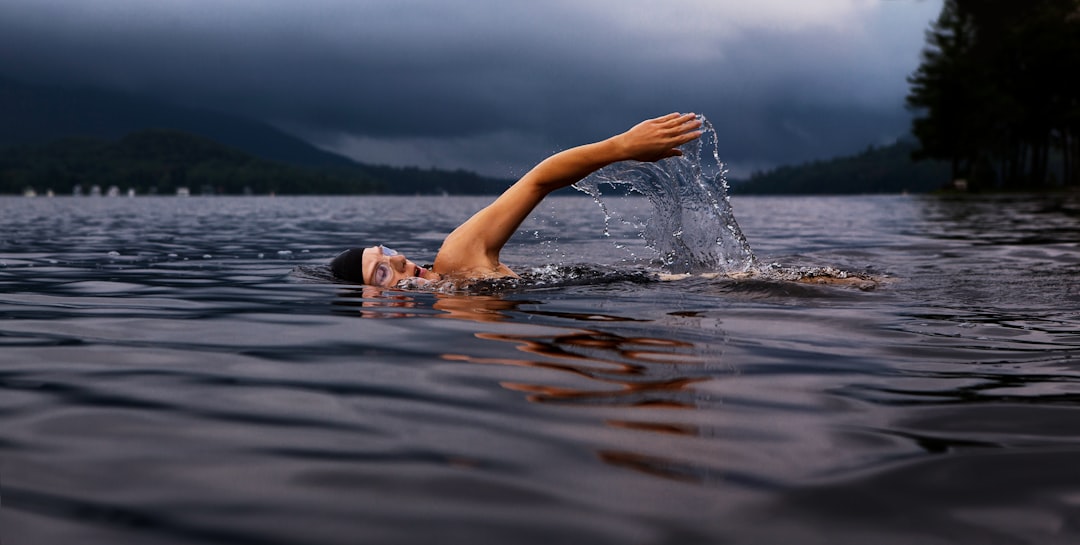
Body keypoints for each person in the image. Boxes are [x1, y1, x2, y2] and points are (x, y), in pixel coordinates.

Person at [330, 112, 703, 287]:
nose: (398, 259)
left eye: (386, 251)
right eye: (381, 272)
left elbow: (537, 181)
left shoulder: (457, 259)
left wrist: (621, 146)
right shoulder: (452, 317)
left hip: (677, 286)